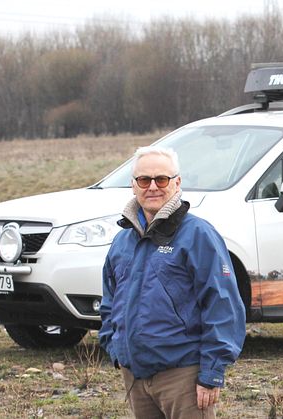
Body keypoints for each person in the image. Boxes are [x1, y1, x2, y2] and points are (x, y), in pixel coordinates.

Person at [99, 146, 246, 418]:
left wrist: (211, 372)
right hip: (135, 376)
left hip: (183, 376)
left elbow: (222, 305)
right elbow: (109, 301)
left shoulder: (198, 235)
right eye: (144, 180)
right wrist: (115, 348)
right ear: (133, 186)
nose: (152, 186)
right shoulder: (122, 241)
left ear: (177, 183)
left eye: (161, 179)